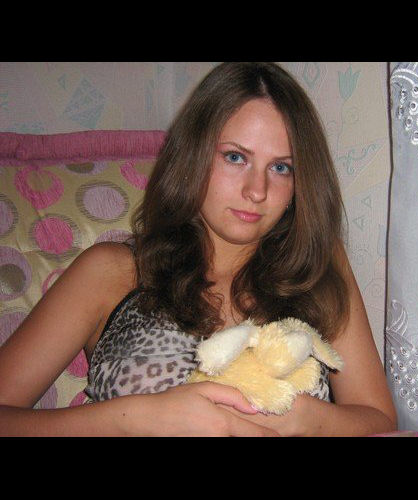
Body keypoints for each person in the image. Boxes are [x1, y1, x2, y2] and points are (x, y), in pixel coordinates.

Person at [0, 62, 397, 436]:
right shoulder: (110, 272)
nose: (256, 191)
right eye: (235, 157)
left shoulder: (316, 265)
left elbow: (378, 418)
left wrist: (311, 420)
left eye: (281, 168)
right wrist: (135, 419)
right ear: (193, 155)